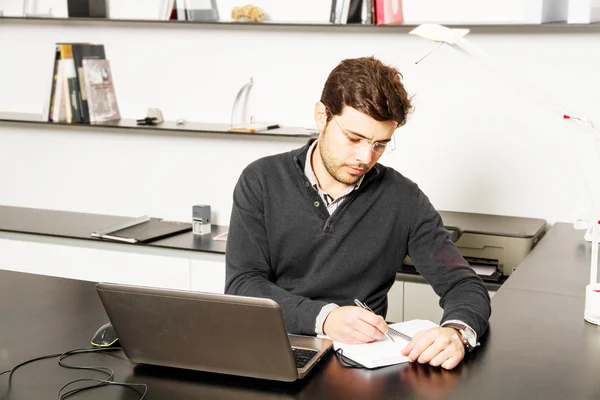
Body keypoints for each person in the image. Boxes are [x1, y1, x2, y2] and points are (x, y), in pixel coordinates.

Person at [225, 56, 491, 370]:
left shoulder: (403, 198)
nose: (365, 158)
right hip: (276, 349)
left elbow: (464, 285)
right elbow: (243, 284)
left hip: (363, 366)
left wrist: (457, 331)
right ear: (322, 116)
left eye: (380, 144)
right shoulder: (261, 180)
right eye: (354, 139)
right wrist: (324, 318)